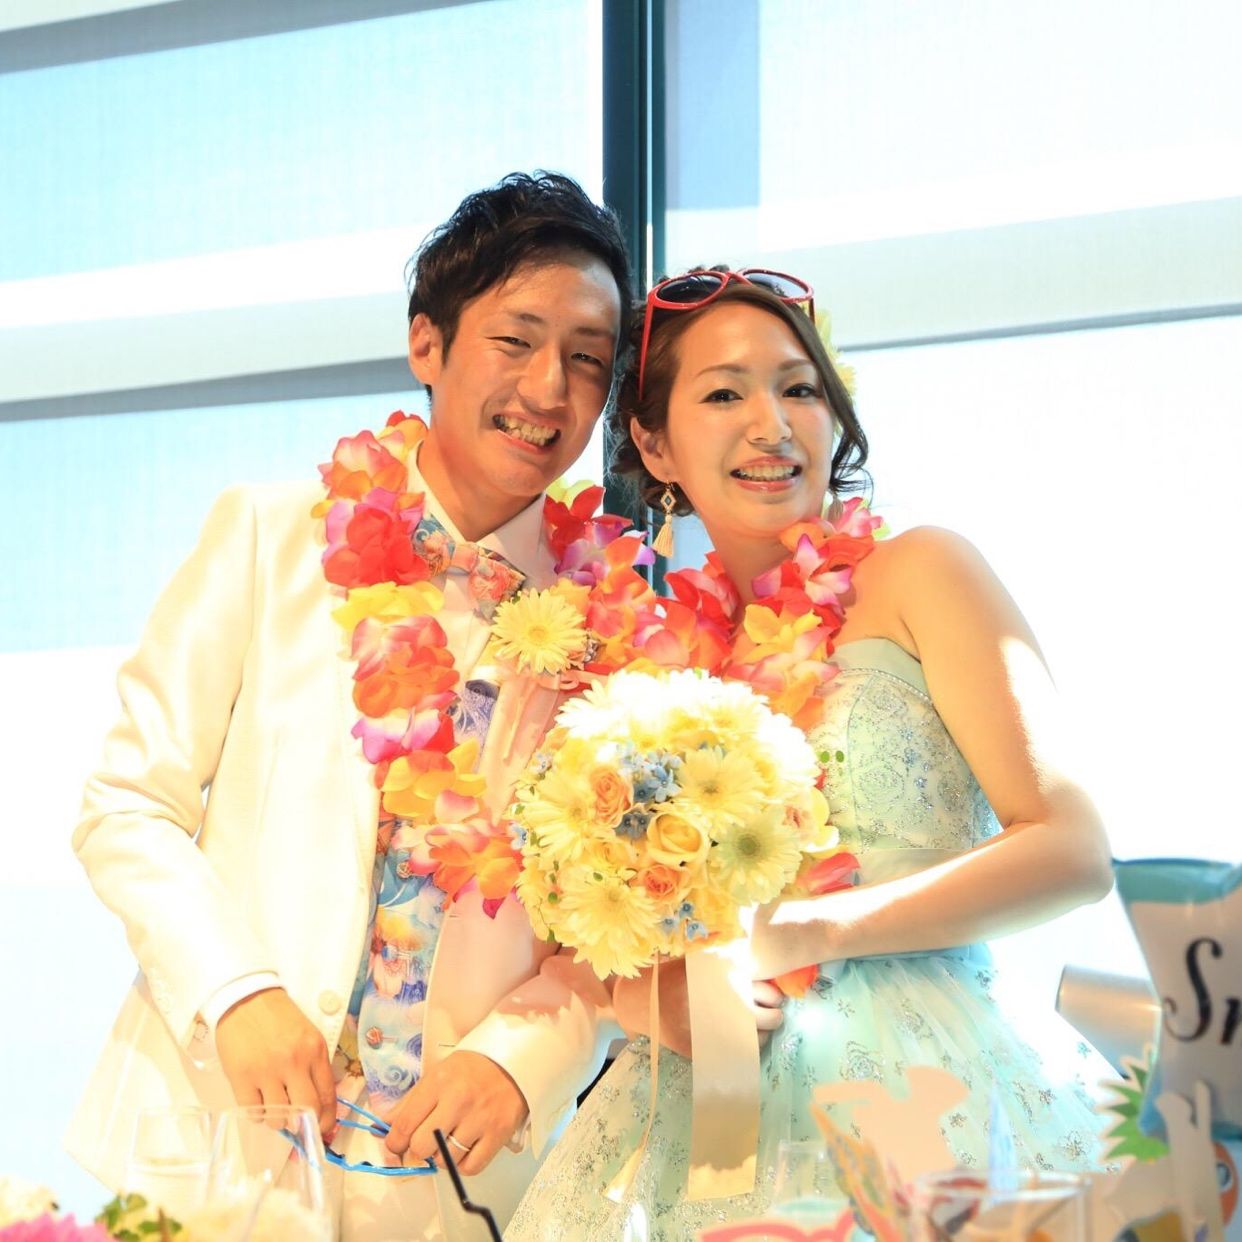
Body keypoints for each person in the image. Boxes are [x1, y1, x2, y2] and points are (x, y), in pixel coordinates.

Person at [65, 171, 636, 1241]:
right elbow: (127, 808)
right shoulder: (269, 536)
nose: (549, 389)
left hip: (459, 1178)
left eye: (587, 360)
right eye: (516, 341)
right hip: (220, 1139)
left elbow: (634, 913)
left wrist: (529, 1057)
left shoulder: (617, 626)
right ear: (427, 343)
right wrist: (236, 990)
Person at [505, 269, 1116, 1240]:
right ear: (654, 444)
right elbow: (619, 930)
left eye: (799, 388)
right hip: (701, 1113)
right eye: (724, 394)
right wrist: (646, 996)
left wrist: (804, 931)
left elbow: (1073, 849)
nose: (772, 425)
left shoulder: (921, 571)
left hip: (929, 1096)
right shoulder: (656, 673)